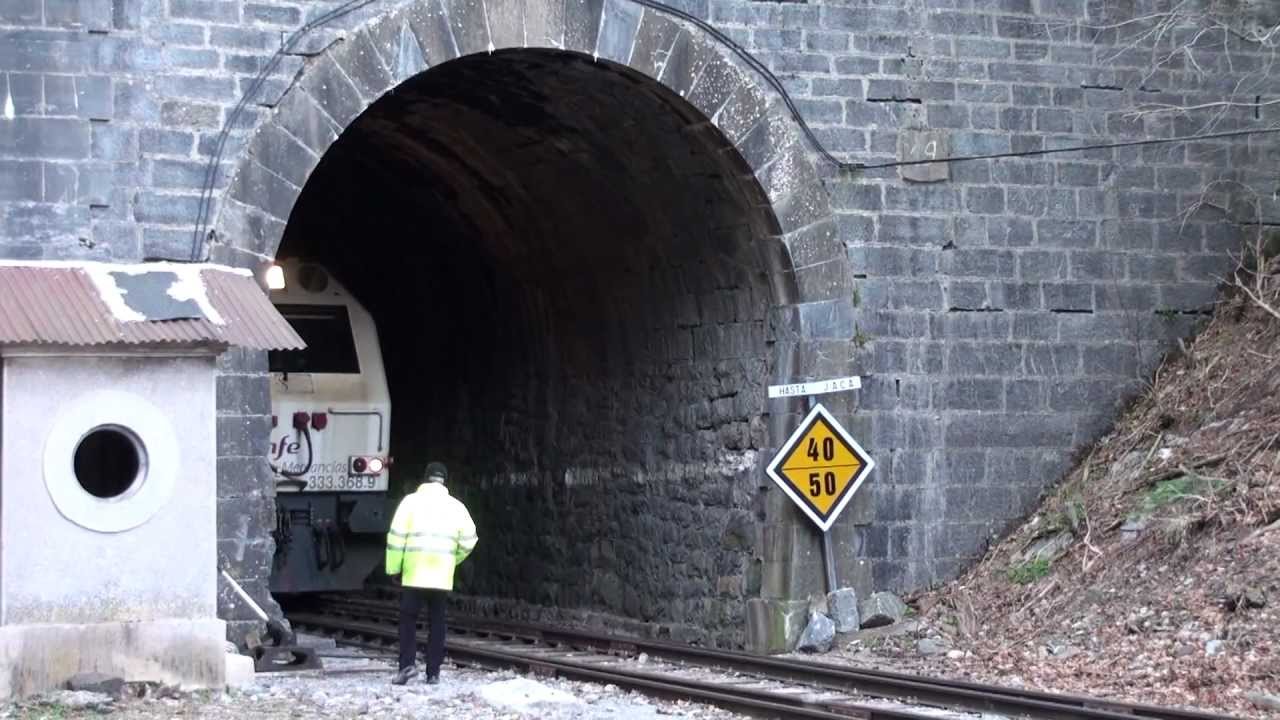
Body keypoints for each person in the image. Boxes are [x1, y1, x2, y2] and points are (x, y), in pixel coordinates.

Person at [385, 461, 478, 685]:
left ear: (425, 478)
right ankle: (433, 672)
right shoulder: (457, 507)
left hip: (414, 573)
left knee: (408, 620)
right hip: (441, 576)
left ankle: (407, 666)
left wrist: (394, 569)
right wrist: (452, 559)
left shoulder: (410, 503)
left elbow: (396, 538)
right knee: (437, 622)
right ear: (445, 481)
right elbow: (469, 540)